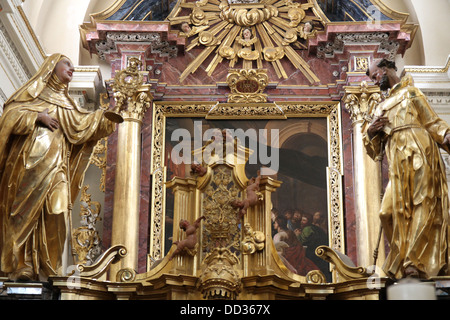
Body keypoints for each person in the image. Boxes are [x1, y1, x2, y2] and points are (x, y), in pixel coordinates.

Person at [0, 53, 117, 281]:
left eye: (73, 66)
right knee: (21, 215)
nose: (72, 68)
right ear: (51, 67)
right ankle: (21, 266)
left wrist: (106, 118)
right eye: (67, 64)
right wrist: (36, 117)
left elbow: (82, 125)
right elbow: (9, 116)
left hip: (57, 169)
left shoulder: (68, 105)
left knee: (58, 211)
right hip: (27, 165)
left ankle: (49, 268)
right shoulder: (33, 96)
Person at [364, 58, 450, 279]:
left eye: (375, 75)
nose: (375, 80)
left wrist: (446, 135)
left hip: (421, 150)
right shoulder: (380, 106)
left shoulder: (412, 92)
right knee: (387, 213)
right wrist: (372, 131)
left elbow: (432, 122)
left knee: (424, 202)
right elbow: (373, 150)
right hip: (397, 161)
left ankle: (414, 262)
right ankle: (401, 257)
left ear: (385, 69)